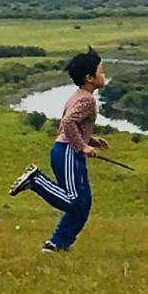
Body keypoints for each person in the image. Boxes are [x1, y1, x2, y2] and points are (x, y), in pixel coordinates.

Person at [11, 48, 111, 253]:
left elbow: (71, 125)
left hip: (66, 150)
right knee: (75, 202)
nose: (104, 75)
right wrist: (83, 146)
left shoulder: (79, 95)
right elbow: (67, 123)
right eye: (101, 71)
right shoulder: (87, 100)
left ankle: (57, 244)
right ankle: (36, 180)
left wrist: (90, 139)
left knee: (83, 205)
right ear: (89, 78)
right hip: (68, 152)